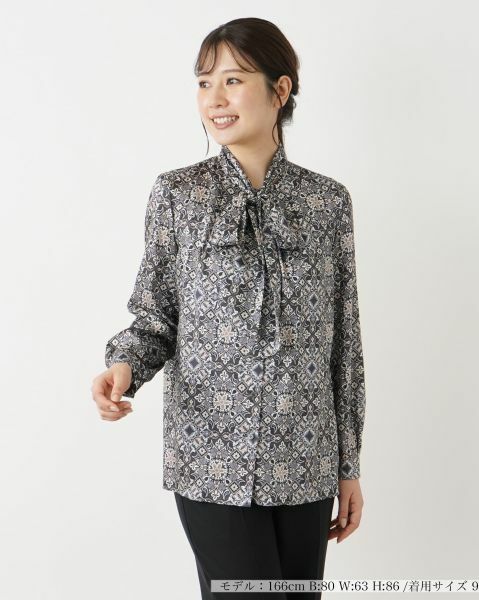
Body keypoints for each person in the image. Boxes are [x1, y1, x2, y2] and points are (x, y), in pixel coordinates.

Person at [91, 17, 367, 600]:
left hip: (307, 462)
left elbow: (345, 346)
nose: (214, 99)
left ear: (280, 89)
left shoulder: (327, 202)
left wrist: (349, 467)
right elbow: (156, 316)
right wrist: (125, 368)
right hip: (211, 458)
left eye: (233, 80)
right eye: (203, 83)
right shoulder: (178, 195)